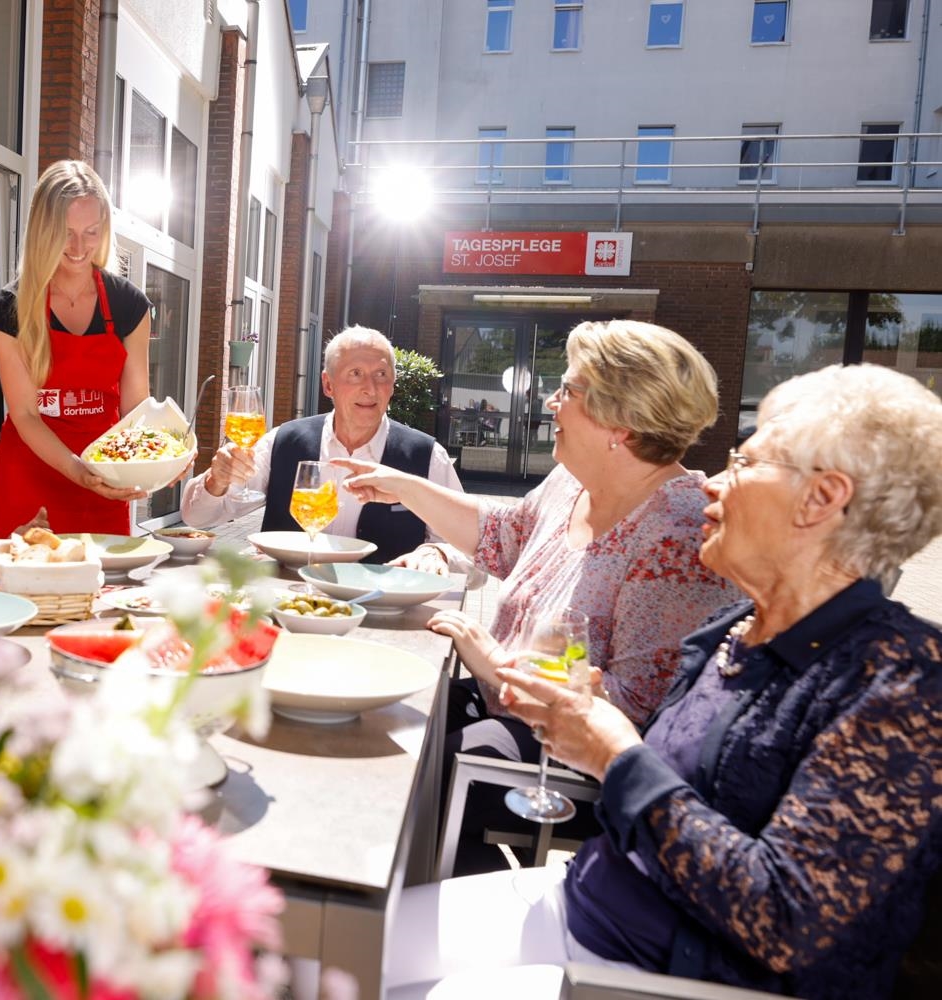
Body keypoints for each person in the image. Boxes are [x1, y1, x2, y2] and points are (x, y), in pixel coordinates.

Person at [385, 363, 942, 1000]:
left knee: (344, 969)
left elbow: (787, 921)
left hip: (648, 974)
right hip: (588, 906)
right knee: (327, 949)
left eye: (745, 463)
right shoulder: (740, 626)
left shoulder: (903, 684)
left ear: (822, 499)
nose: (712, 486)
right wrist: (585, 723)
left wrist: (612, 754)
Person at [339, 320, 741, 870]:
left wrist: (501, 664)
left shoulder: (678, 533)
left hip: (568, 758)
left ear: (618, 421)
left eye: (569, 390)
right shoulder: (572, 481)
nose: (552, 402)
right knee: (377, 714)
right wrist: (404, 486)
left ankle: (451, 925)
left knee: (404, 782)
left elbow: (637, 707)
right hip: (500, 706)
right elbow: (504, 535)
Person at [181, 326, 469, 569]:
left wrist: (438, 552)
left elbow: (474, 552)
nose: (370, 387)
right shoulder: (284, 441)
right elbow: (197, 517)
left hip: (381, 613)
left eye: (381, 374)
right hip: (288, 607)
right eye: (355, 373)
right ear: (328, 385)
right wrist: (215, 480)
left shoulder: (427, 456)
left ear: (392, 385)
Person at [0, 160, 151, 538]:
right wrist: (78, 470)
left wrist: (158, 456)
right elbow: (25, 413)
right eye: (66, 233)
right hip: (30, 472)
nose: (80, 248)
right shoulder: (11, 306)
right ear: (42, 230)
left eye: (91, 232)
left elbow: (136, 408)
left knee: (104, 591)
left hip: (104, 475)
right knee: (25, 588)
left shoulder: (129, 305)